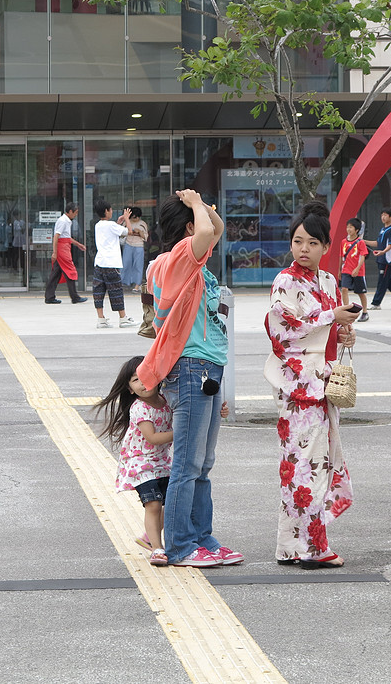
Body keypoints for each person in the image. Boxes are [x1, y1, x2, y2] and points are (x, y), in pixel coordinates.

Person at [136, 189, 242, 568]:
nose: (208, 220)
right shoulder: (177, 258)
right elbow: (203, 235)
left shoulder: (189, 262)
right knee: (187, 464)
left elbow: (215, 230)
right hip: (191, 368)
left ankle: (202, 538)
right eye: (199, 216)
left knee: (202, 463)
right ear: (185, 227)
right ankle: (180, 545)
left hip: (207, 368)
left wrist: (204, 209)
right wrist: (196, 203)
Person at [264, 201, 359, 568]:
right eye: (298, 241)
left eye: (312, 243)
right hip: (298, 385)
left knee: (301, 462)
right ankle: (313, 547)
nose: (304, 249)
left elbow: (328, 328)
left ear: (325, 247)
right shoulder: (285, 281)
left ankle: (289, 545)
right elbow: (281, 328)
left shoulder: (329, 281)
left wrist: (344, 331)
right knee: (307, 464)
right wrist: (329, 316)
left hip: (321, 380)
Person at [95, 355, 174, 567]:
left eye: (145, 376)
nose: (142, 382)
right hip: (140, 464)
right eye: (135, 380)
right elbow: (153, 438)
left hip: (162, 462)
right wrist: (181, 433)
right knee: (154, 504)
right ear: (130, 389)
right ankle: (157, 549)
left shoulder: (166, 400)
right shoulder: (139, 408)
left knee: (174, 502)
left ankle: (149, 537)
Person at [92, 199, 135, 328]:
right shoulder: (110, 225)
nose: (111, 212)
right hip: (111, 263)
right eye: (110, 210)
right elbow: (129, 232)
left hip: (99, 262)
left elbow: (112, 232)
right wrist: (127, 218)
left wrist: (119, 222)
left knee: (98, 291)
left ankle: (101, 319)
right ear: (106, 211)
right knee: (115, 290)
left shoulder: (98, 225)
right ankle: (123, 318)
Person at [44, 203, 88, 304]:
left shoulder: (67, 221)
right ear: (70, 212)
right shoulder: (63, 221)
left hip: (64, 247)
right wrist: (55, 252)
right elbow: (56, 237)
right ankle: (74, 297)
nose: (76, 215)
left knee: (56, 273)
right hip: (62, 249)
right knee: (70, 270)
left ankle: (49, 297)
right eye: (75, 213)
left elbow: (66, 237)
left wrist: (78, 244)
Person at [339, 217, 369, 323]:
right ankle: (347, 309)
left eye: (351, 227)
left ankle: (365, 312)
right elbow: (341, 257)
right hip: (346, 270)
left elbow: (362, 256)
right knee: (344, 289)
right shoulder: (343, 242)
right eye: (347, 227)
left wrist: (357, 268)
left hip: (358, 271)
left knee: (360, 292)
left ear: (356, 230)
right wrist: (339, 270)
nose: (348, 229)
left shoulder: (360, 242)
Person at [121, 206, 150, 289]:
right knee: (126, 264)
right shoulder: (127, 222)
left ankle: (137, 284)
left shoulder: (142, 223)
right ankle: (124, 282)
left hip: (139, 246)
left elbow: (146, 237)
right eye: (133, 217)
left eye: (136, 217)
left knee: (138, 265)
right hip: (128, 244)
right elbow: (122, 233)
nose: (135, 219)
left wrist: (139, 232)